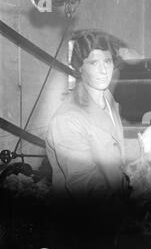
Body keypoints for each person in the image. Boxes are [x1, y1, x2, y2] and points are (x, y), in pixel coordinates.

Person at [46, 30, 127, 202]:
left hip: (116, 205)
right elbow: (85, 186)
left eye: (108, 61)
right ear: (80, 67)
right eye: (93, 63)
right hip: (85, 219)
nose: (104, 70)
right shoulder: (67, 119)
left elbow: (112, 145)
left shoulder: (107, 98)